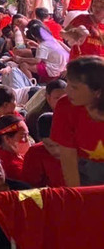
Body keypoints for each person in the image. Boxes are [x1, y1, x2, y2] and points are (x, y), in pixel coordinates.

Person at [51, 55, 104, 186]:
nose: (67, 91)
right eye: (67, 84)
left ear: (97, 91)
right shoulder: (65, 106)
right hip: (85, 168)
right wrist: (77, 198)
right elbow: (68, 158)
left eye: (74, 87)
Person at [21, 113, 65, 188]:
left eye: (59, 144)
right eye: (49, 145)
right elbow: (30, 188)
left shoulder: (81, 149)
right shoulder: (35, 153)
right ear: (41, 140)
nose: (56, 150)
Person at [0, 115, 31, 183]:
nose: (27, 140)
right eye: (23, 136)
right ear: (7, 139)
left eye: (27, 135)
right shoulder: (11, 166)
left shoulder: (17, 155)